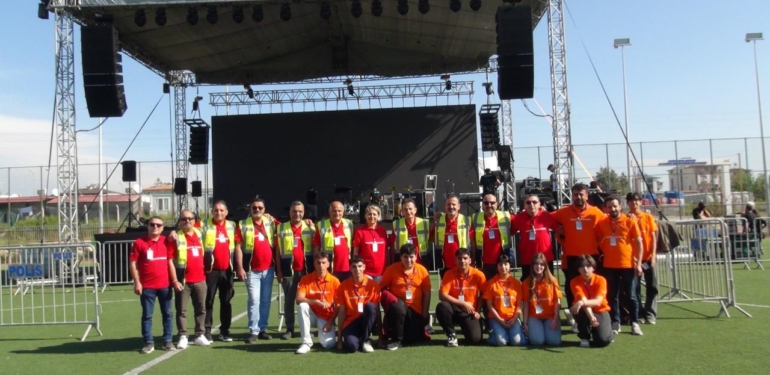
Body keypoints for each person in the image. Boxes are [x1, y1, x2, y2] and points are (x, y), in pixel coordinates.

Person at [552, 183, 605, 330]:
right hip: (572, 257)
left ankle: (594, 318)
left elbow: (609, 223)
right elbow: (546, 218)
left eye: (581, 194)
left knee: (592, 289)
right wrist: (557, 228)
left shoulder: (596, 212)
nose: (578, 197)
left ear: (587, 196)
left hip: (591, 257)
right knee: (572, 289)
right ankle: (577, 320)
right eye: (575, 194)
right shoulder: (563, 212)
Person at [596, 195, 644, 336]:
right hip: (609, 265)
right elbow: (597, 239)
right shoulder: (602, 223)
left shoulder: (630, 221)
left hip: (628, 265)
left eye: (615, 206)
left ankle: (635, 322)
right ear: (605, 209)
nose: (613, 209)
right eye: (609, 207)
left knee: (631, 296)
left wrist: (639, 263)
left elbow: (639, 243)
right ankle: (615, 322)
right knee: (612, 296)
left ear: (620, 206)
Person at [236, 198, 280, 343]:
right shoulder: (243, 224)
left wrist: (308, 222)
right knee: (254, 300)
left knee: (266, 301)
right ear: (250, 209)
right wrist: (240, 267)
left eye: (260, 208)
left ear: (264, 209)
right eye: (254, 207)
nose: (257, 210)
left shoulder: (271, 223)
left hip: (269, 269)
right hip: (251, 270)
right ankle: (253, 330)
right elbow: (238, 247)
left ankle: (262, 329)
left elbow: (287, 227)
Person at [129, 216, 174, 354]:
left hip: (165, 285)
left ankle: (167, 341)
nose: (155, 227)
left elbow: (171, 260)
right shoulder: (139, 243)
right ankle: (148, 342)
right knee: (147, 315)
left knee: (167, 314)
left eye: (158, 225)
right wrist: (137, 282)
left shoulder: (166, 241)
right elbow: (132, 263)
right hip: (147, 286)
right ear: (147, 226)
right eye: (152, 224)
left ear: (163, 228)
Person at [167, 210, 211, 349]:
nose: (187, 221)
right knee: (181, 311)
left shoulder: (200, 233)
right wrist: (175, 280)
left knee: (201, 309)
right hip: (183, 281)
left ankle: (199, 335)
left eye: (190, 218)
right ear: (180, 221)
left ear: (194, 220)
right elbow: (169, 260)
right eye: (184, 219)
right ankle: (183, 336)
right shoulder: (176, 237)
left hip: (200, 279)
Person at [379, 244, 432, 350]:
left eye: (411, 257)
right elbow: (381, 288)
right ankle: (396, 340)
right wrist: (388, 303)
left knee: (410, 339)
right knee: (399, 306)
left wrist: (424, 314)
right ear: (401, 257)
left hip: (415, 310)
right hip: (397, 309)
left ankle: (411, 332)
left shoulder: (422, 270)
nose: (408, 260)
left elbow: (427, 294)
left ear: (416, 256)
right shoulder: (391, 269)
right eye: (405, 257)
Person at [276, 201, 316, 340]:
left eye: (300, 211)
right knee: (289, 301)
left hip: (307, 272)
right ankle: (290, 329)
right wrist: (279, 271)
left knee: (307, 301)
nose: (297, 214)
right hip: (288, 271)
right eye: (294, 211)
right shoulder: (281, 228)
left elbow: (316, 248)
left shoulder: (310, 228)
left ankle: (307, 329)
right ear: (290, 212)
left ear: (304, 213)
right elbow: (277, 252)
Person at [201, 200, 238, 342]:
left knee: (226, 301)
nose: (219, 212)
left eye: (222, 210)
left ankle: (225, 331)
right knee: (208, 301)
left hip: (227, 270)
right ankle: (207, 331)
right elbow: (187, 227)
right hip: (211, 271)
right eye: (216, 210)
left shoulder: (232, 225)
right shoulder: (203, 224)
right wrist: (174, 231)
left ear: (226, 212)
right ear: (212, 212)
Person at [436, 248, 486, 347]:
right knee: (442, 306)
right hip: (454, 309)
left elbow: (483, 294)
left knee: (475, 340)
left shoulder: (478, 275)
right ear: (455, 260)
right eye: (459, 258)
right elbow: (442, 295)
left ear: (470, 260)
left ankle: (474, 324)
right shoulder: (449, 274)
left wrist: (478, 311)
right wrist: (463, 303)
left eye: (465, 258)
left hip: (470, 311)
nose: (462, 261)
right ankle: (451, 334)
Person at [295, 251, 341, 354]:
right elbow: (298, 299)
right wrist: (315, 302)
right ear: (314, 264)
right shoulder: (305, 279)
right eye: (318, 263)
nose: (321, 266)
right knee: (302, 306)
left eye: (323, 263)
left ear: (328, 264)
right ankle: (306, 343)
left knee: (329, 345)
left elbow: (338, 305)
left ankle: (321, 333)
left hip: (326, 317)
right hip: (311, 314)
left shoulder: (335, 281)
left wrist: (330, 323)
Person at [335, 256, 381, 353]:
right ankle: (361, 339)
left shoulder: (374, 285)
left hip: (366, 320)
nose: (357, 269)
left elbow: (377, 312)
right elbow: (341, 313)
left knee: (370, 306)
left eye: (360, 266)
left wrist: (381, 337)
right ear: (350, 268)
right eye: (354, 267)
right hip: (351, 322)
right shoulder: (343, 286)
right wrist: (339, 340)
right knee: (352, 347)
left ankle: (365, 340)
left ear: (364, 267)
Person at [626, 193, 659, 325]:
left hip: (648, 258)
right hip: (634, 259)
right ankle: (638, 314)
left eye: (637, 200)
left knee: (652, 286)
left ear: (641, 202)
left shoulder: (647, 217)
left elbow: (653, 237)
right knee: (635, 288)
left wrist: (653, 255)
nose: (634, 203)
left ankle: (650, 313)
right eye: (631, 200)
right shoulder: (626, 218)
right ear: (627, 203)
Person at [570, 255, 615, 347]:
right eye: (582, 266)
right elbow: (583, 300)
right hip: (584, 310)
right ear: (578, 269)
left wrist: (582, 302)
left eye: (588, 265)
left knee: (603, 340)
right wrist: (591, 317)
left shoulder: (601, 280)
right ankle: (584, 336)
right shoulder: (574, 282)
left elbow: (598, 302)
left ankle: (606, 332)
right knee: (577, 308)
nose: (585, 269)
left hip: (600, 309)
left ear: (593, 268)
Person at [510, 194, 558, 280]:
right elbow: (510, 232)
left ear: (539, 204)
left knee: (548, 284)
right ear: (524, 205)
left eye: (534, 202)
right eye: (528, 202)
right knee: (528, 285)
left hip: (546, 259)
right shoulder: (518, 218)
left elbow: (559, 230)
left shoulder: (547, 216)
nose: (531, 204)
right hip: (527, 260)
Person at [483, 255, 525, 347]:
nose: (503, 267)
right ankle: (493, 335)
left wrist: (514, 319)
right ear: (497, 266)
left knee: (517, 342)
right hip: (497, 318)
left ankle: (517, 331)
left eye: (506, 264)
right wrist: (500, 320)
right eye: (500, 264)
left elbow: (519, 305)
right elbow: (489, 305)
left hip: (512, 317)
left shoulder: (517, 283)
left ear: (510, 266)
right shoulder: (491, 283)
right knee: (501, 342)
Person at [521, 252, 562, 346]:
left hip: (550, 316)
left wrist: (556, 318)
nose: (539, 266)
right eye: (536, 264)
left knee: (554, 342)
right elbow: (526, 304)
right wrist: (525, 323)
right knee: (537, 341)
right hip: (534, 316)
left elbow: (557, 301)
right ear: (532, 265)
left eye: (541, 264)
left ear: (545, 266)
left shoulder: (553, 280)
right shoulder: (526, 282)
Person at [470, 193, 512, 280]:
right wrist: (473, 261)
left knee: (501, 288)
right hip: (482, 264)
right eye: (486, 203)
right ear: (482, 205)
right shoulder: (475, 218)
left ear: (496, 204)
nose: (489, 205)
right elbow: (472, 242)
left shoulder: (506, 217)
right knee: (484, 288)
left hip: (501, 264)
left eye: (492, 203)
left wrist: (540, 210)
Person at [430, 194, 471, 279]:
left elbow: (473, 242)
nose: (451, 207)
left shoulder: (467, 221)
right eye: (448, 204)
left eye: (453, 204)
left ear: (459, 206)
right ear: (445, 206)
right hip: (444, 264)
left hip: (462, 263)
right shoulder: (438, 221)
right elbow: (432, 238)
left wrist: (472, 260)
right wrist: (434, 222)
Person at [313, 201, 355, 281]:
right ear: (329, 212)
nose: (337, 213)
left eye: (339, 211)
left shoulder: (349, 224)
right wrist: (316, 264)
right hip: (329, 268)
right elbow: (316, 247)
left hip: (347, 268)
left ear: (343, 212)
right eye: (334, 211)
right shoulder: (321, 225)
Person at [389, 198, 431, 267]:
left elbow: (433, 237)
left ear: (415, 210)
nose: (408, 212)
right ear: (402, 211)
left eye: (410, 209)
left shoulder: (425, 223)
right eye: (405, 209)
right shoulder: (396, 224)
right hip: (403, 263)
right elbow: (391, 243)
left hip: (421, 262)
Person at [352, 204, 388, 282]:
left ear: (378, 216)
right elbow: (356, 251)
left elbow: (386, 251)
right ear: (365, 216)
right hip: (366, 271)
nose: (372, 216)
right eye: (369, 214)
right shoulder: (360, 231)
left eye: (374, 214)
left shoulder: (383, 231)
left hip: (381, 271)